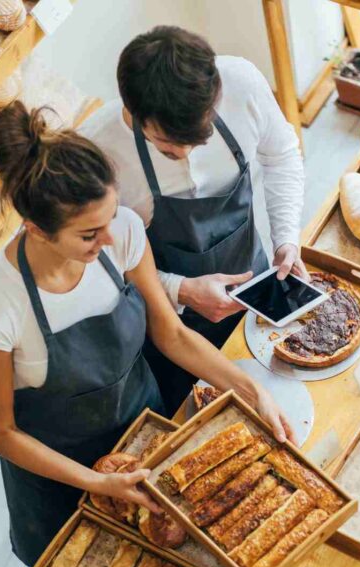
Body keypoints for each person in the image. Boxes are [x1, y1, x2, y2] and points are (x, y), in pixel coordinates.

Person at [0, 102, 292, 566]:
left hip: (145, 440)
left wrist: (250, 390)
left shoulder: (125, 233)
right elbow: (0, 433)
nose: (110, 240)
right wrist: (97, 483)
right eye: (89, 234)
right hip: (60, 482)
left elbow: (171, 335)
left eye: (111, 217)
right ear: (35, 228)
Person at [79, 26, 306, 412]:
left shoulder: (242, 83)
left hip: (254, 289)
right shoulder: (97, 156)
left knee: (280, 395)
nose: (185, 154)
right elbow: (98, 268)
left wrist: (286, 237)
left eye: (196, 140)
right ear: (134, 113)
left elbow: (281, 154)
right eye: (168, 145)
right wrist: (180, 289)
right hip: (169, 326)